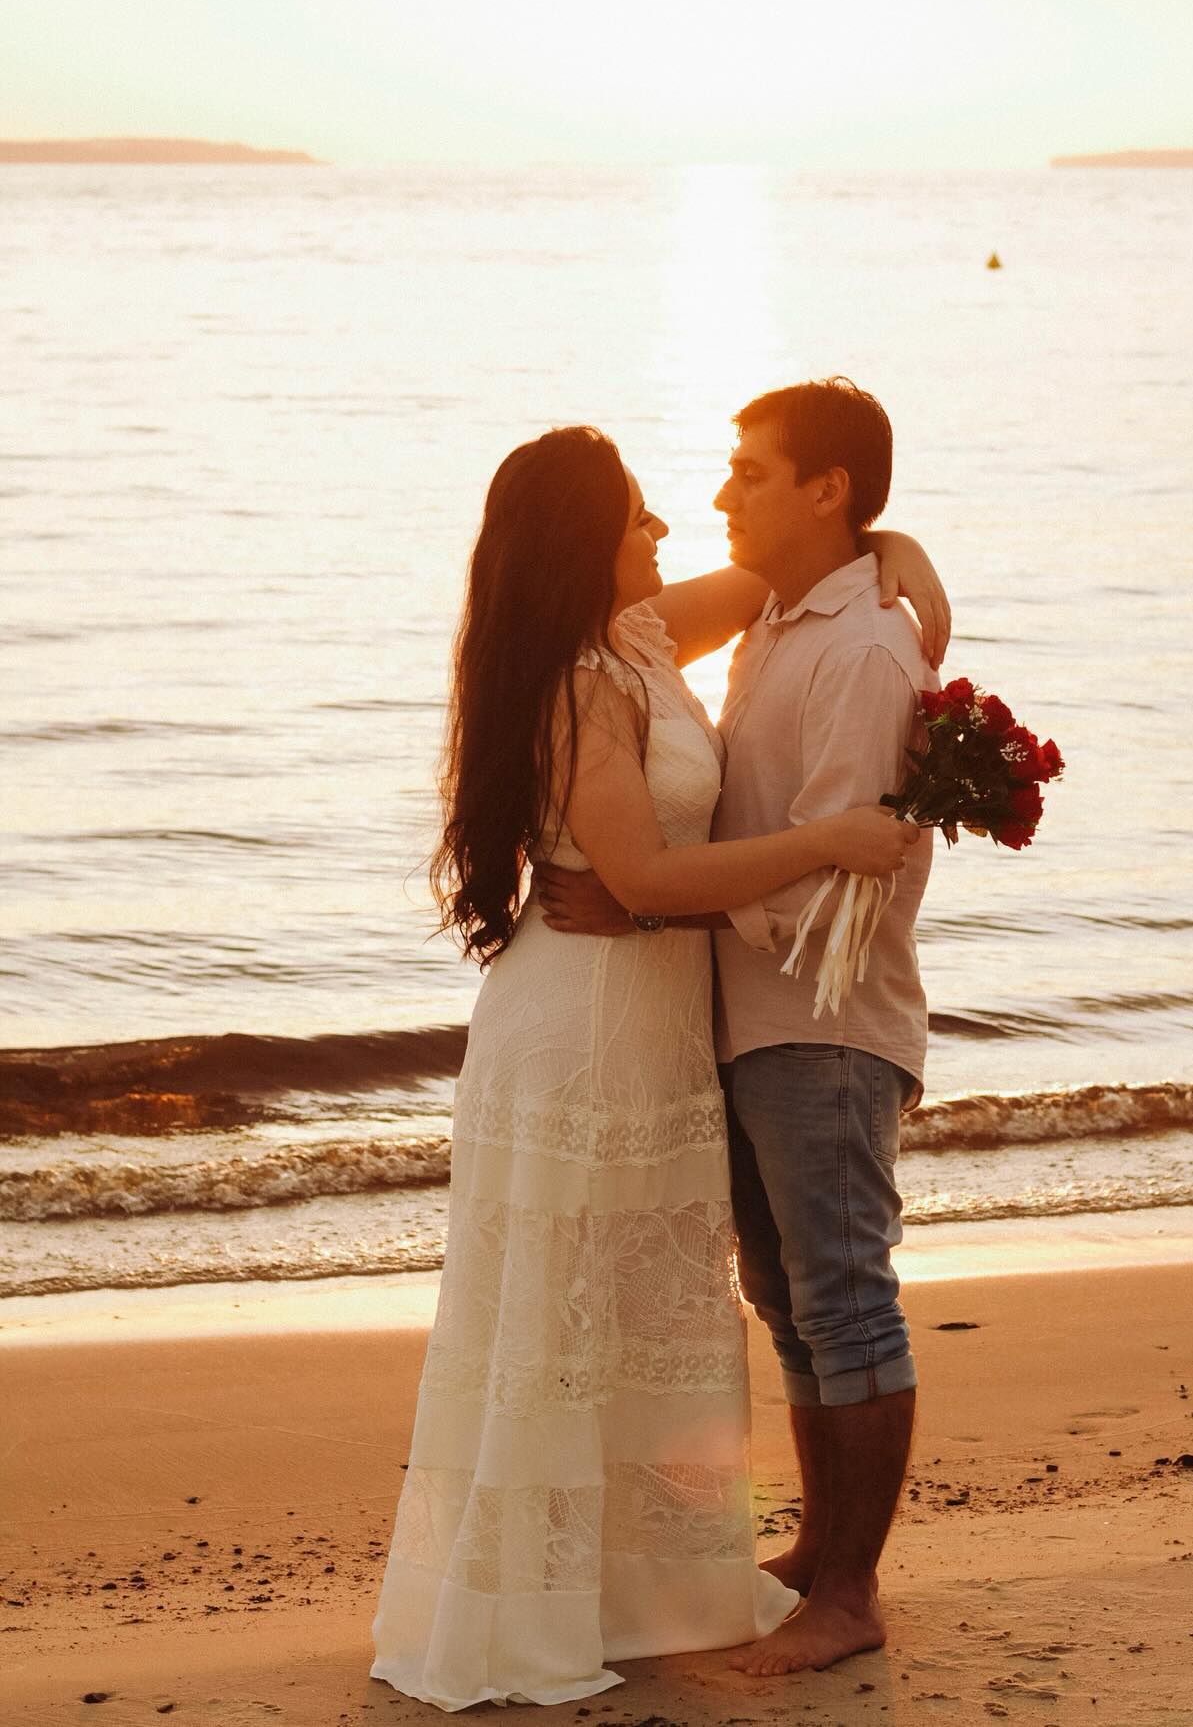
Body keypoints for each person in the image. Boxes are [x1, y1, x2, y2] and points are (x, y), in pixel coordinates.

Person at [369, 422, 945, 1710]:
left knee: (638, 1316)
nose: (668, 530)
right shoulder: (582, 676)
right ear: (590, 543)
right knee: (567, 1319)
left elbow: (800, 572)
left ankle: (636, 1583)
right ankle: (545, 1598)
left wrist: (904, 549)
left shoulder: (636, 636)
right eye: (640, 516)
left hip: (661, 1021)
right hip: (580, 1029)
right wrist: (831, 840)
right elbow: (641, 877)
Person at [537, 379, 940, 1678]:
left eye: (750, 472)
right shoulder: (778, 614)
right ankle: (822, 1552)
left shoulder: (867, 647)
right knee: (786, 1295)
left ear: (827, 489)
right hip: (742, 1017)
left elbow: (842, 877)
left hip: (820, 1022)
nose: (721, 495)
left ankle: (854, 1591)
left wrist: (658, 899)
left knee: (843, 1296)